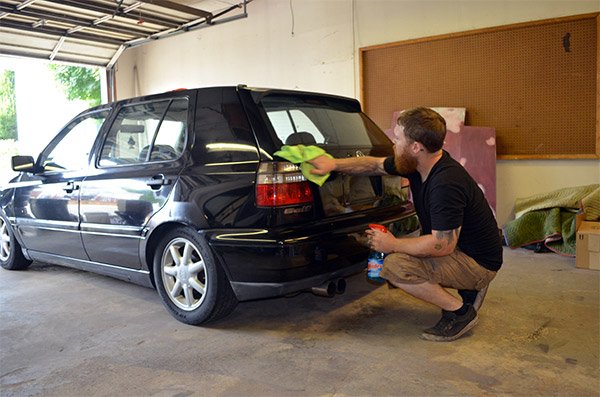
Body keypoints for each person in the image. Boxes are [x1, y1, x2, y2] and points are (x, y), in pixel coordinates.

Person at [309, 107, 502, 342]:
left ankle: (461, 312)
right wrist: (333, 165)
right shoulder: (419, 164)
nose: (393, 143)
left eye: (398, 138)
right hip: (467, 250)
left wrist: (392, 244)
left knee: (395, 266)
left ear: (416, 147)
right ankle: (469, 290)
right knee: (409, 250)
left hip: (478, 263)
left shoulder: (445, 183)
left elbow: (442, 246)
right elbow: (374, 165)